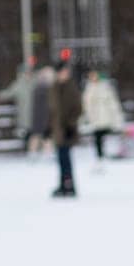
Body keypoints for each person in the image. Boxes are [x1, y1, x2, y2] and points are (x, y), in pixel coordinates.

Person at [47, 61, 81, 198]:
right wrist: (49, 128)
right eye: (62, 71)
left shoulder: (71, 87)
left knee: (65, 158)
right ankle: (63, 184)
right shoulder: (54, 87)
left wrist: (71, 124)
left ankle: (69, 185)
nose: (64, 74)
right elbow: (52, 110)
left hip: (68, 128)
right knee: (60, 159)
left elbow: (77, 108)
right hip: (57, 129)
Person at [80, 69, 124, 167]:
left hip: (106, 116)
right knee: (98, 137)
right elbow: (86, 104)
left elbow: (113, 103)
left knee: (108, 135)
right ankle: (100, 157)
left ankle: (112, 155)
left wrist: (116, 117)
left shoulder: (105, 87)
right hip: (95, 118)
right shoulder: (89, 88)